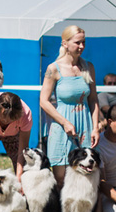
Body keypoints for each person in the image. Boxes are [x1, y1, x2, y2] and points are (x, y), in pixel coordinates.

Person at [40, 25, 100, 186]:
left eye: (83, 42)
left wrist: (95, 127)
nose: (81, 46)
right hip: (62, 125)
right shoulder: (53, 69)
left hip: (84, 124)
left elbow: (93, 99)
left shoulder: (89, 67)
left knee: (86, 175)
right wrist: (64, 122)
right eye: (77, 42)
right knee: (61, 177)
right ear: (65, 44)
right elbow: (44, 101)